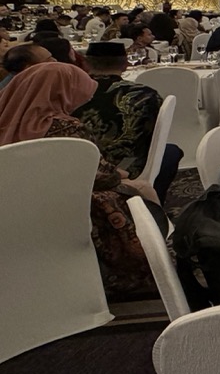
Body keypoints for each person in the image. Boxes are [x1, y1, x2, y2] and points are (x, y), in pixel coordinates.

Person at [0, 62, 161, 297]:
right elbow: (97, 176)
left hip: (11, 208)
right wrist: (121, 175)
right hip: (60, 208)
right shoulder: (66, 128)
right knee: (137, 189)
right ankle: (153, 261)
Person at [75, 41, 162, 180]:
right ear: (126, 64)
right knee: (169, 151)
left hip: (77, 168)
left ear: (86, 64)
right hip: (127, 168)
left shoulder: (70, 93)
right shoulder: (145, 95)